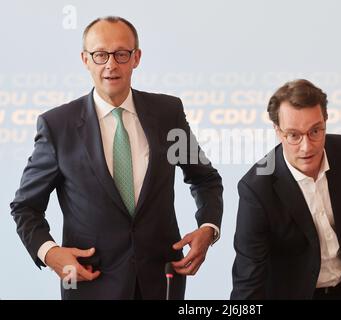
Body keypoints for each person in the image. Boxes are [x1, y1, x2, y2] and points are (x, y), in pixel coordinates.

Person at [10, 16, 223, 300]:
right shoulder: (57, 126)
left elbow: (204, 178)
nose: (111, 64)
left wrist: (208, 228)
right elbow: (25, 207)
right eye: (100, 55)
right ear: (85, 59)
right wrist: (49, 253)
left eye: (122, 54)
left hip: (162, 282)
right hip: (90, 284)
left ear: (136, 58)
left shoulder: (167, 113)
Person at [231, 79, 341, 300]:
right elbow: (249, 279)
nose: (307, 146)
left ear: (325, 121)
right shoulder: (256, 189)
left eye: (315, 131)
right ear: (278, 132)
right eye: (294, 135)